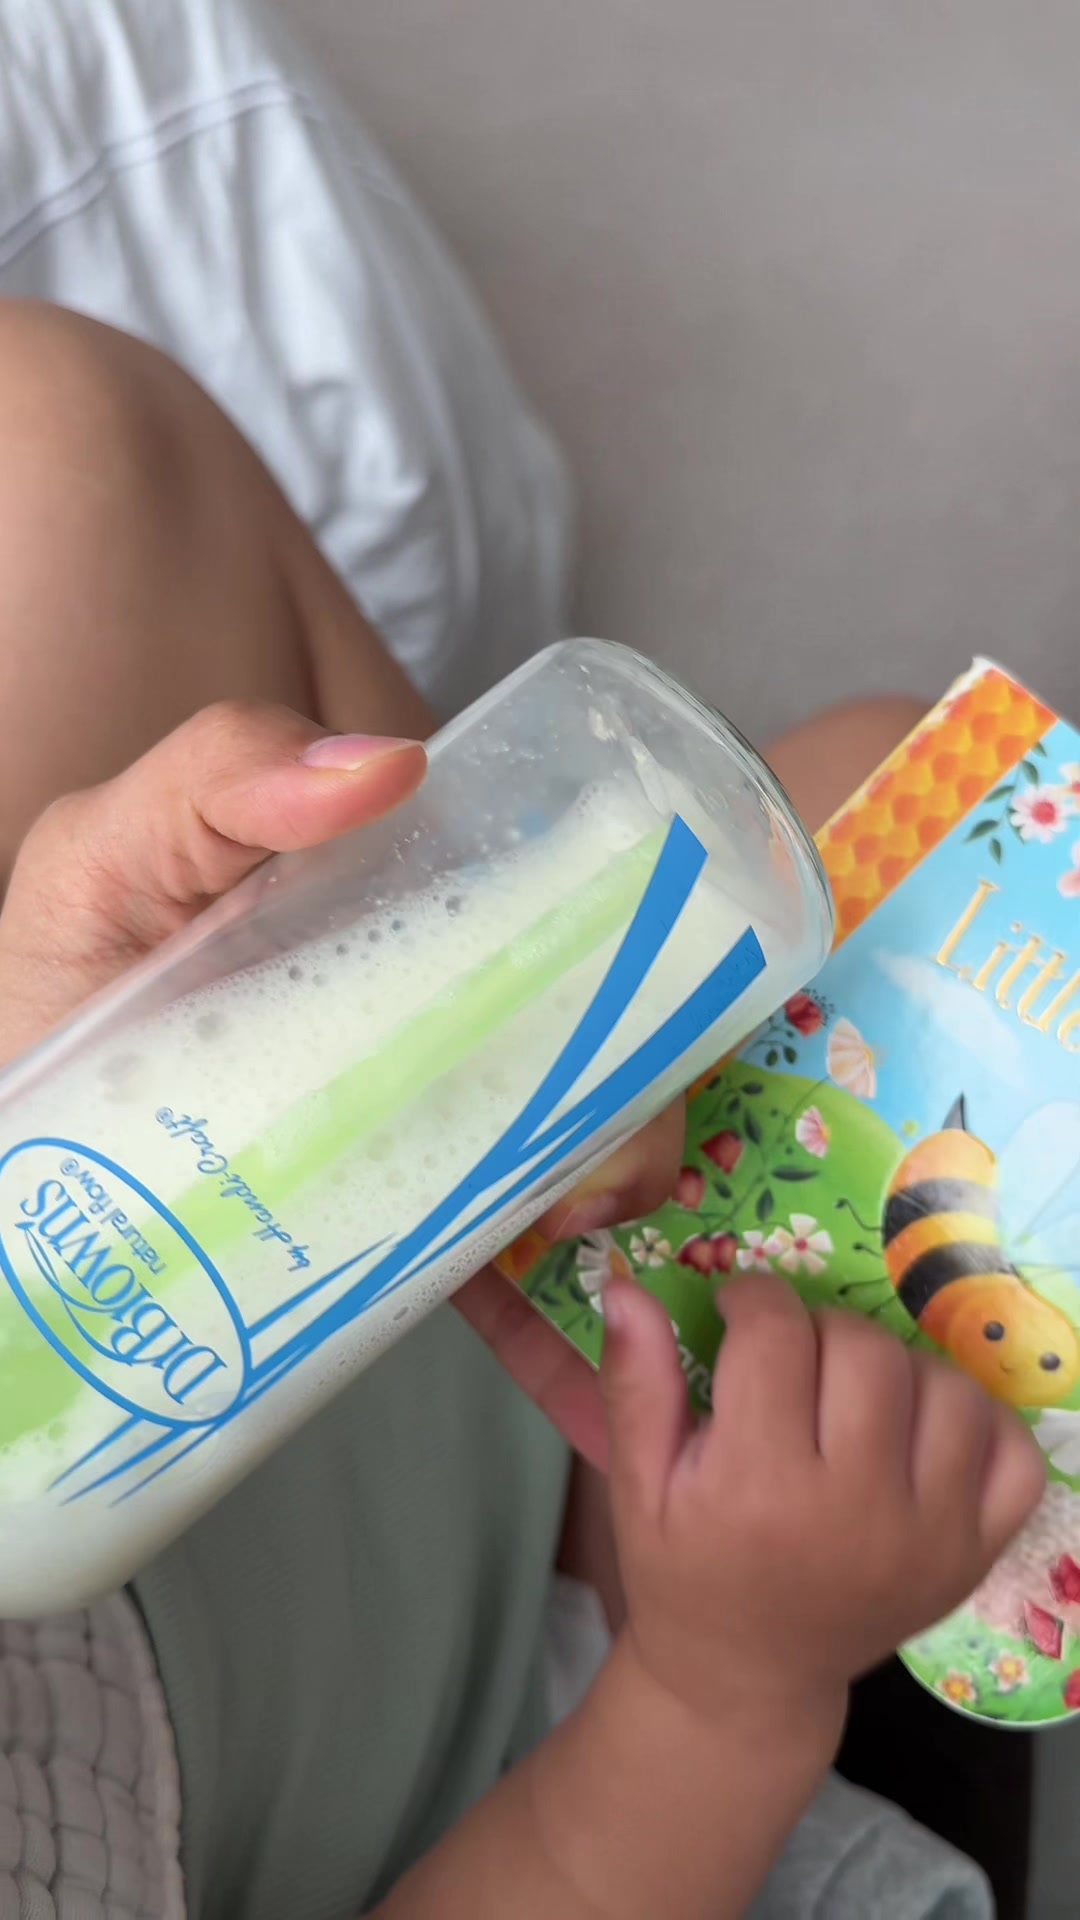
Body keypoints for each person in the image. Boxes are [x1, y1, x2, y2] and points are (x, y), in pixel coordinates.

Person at [0, 299, 1046, 1920]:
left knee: (55, 443)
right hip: (513, 1706)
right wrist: (718, 1692)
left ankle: (464, 872)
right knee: (877, 830)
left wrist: (54, 1058)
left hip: (138, 1214)